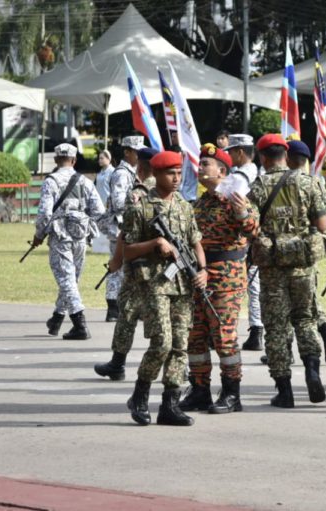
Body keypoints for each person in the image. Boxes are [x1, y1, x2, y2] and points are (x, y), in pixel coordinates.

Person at [124, 150, 207, 426]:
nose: (176, 178)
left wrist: (203, 271)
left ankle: (170, 404)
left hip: (183, 284)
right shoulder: (141, 208)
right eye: (170, 173)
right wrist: (154, 245)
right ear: (156, 174)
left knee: (180, 345)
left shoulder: (184, 206)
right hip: (155, 283)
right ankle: (140, 394)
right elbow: (126, 250)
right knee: (162, 342)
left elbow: (195, 241)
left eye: (179, 173)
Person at [247, 134, 326, 408]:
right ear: (285, 153)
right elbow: (321, 223)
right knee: (305, 319)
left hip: (272, 268)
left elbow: (249, 227)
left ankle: (285, 391)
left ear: (262, 157)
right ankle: (312, 371)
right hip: (303, 265)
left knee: (276, 328)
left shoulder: (258, 186)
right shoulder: (309, 182)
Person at [178, 144, 258, 414]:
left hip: (226, 277)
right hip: (198, 276)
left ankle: (231, 393)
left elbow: (253, 229)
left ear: (222, 171)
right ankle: (200, 389)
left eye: (205, 165)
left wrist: (242, 213)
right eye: (200, 164)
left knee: (224, 336)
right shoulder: (201, 203)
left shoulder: (236, 197)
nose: (199, 169)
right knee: (195, 336)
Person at [94, 147, 158, 381]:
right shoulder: (169, 191)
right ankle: (176, 369)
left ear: (140, 167)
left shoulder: (139, 191)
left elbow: (127, 232)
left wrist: (116, 260)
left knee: (127, 312)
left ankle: (117, 363)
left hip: (137, 262)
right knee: (163, 315)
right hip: (162, 265)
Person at [34, 144, 105, 340]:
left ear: (56, 160)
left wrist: (39, 234)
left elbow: (44, 213)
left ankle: (80, 324)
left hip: (60, 237)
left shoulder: (51, 181)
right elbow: (98, 211)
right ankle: (56, 319)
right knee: (70, 280)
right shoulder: (85, 181)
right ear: (73, 160)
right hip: (80, 236)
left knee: (66, 279)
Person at [286, 140, 326, 364]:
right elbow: (324, 220)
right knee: (305, 297)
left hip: (288, 249)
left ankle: (289, 349)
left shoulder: (287, 184)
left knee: (288, 301)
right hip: (309, 248)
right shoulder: (317, 183)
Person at [223, 133, 264, 351]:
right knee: (255, 285)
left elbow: (225, 205)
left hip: (240, 238)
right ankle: (257, 329)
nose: (229, 155)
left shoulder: (238, 177)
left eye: (231, 151)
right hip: (258, 235)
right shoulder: (261, 171)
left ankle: (226, 331)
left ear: (240, 152)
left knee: (235, 286)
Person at [99, 135, 145, 322]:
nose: (140, 155)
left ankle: (131, 307)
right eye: (137, 152)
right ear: (127, 152)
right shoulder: (121, 173)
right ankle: (113, 309)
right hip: (120, 227)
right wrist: (137, 200)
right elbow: (118, 202)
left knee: (130, 267)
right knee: (117, 266)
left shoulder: (132, 172)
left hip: (128, 226)